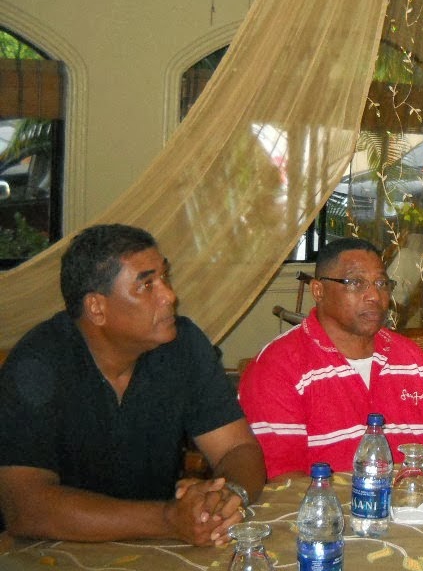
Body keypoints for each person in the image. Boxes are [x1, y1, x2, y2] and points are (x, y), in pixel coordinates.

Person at [0, 224, 265, 546]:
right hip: (49, 553)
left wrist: (226, 496)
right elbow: (26, 507)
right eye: (146, 285)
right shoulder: (39, 363)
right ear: (97, 307)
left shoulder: (183, 346)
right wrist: (167, 519)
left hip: (153, 547)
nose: (169, 296)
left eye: (164, 277)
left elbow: (238, 448)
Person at [239, 237, 423, 478]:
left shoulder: (410, 359)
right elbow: (283, 482)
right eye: (356, 282)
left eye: (381, 283)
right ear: (318, 290)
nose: (374, 296)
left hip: (416, 499)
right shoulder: (278, 367)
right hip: (327, 502)